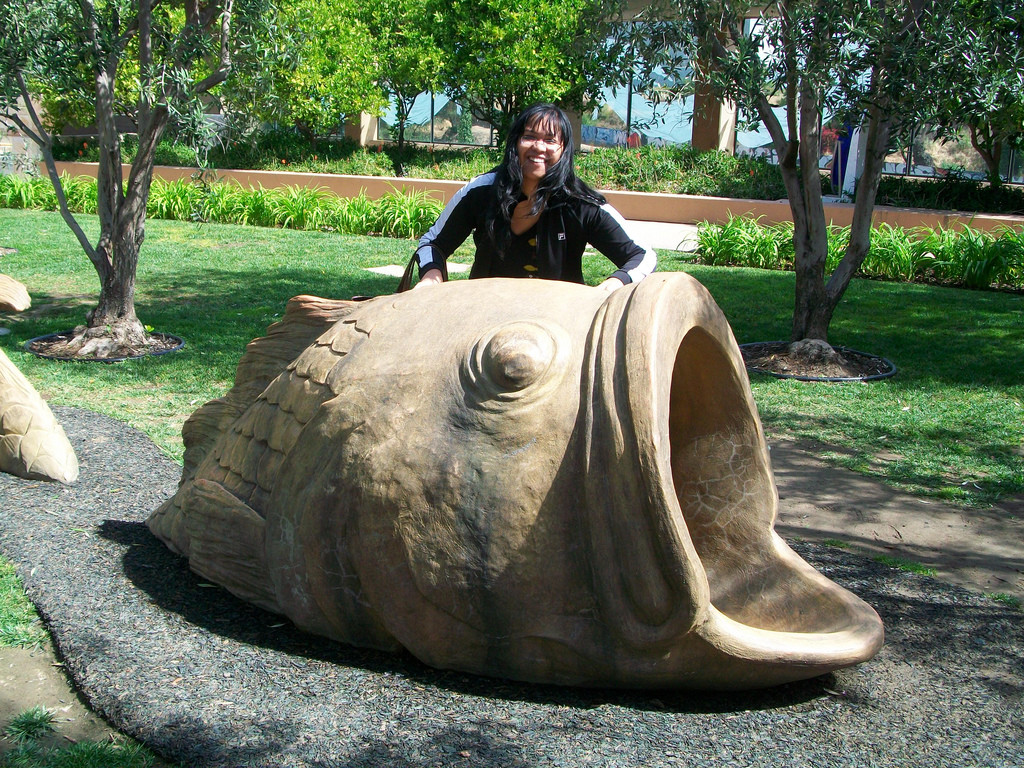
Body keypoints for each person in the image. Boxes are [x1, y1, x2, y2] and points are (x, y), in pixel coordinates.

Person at [413, 104, 657, 292]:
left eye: (550, 140)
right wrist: (431, 276)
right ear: (515, 143)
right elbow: (432, 242)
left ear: (564, 149)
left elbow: (643, 256)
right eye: (529, 136)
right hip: (484, 315)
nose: (539, 147)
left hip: (558, 324)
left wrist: (615, 282)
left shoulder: (581, 204)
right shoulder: (481, 191)